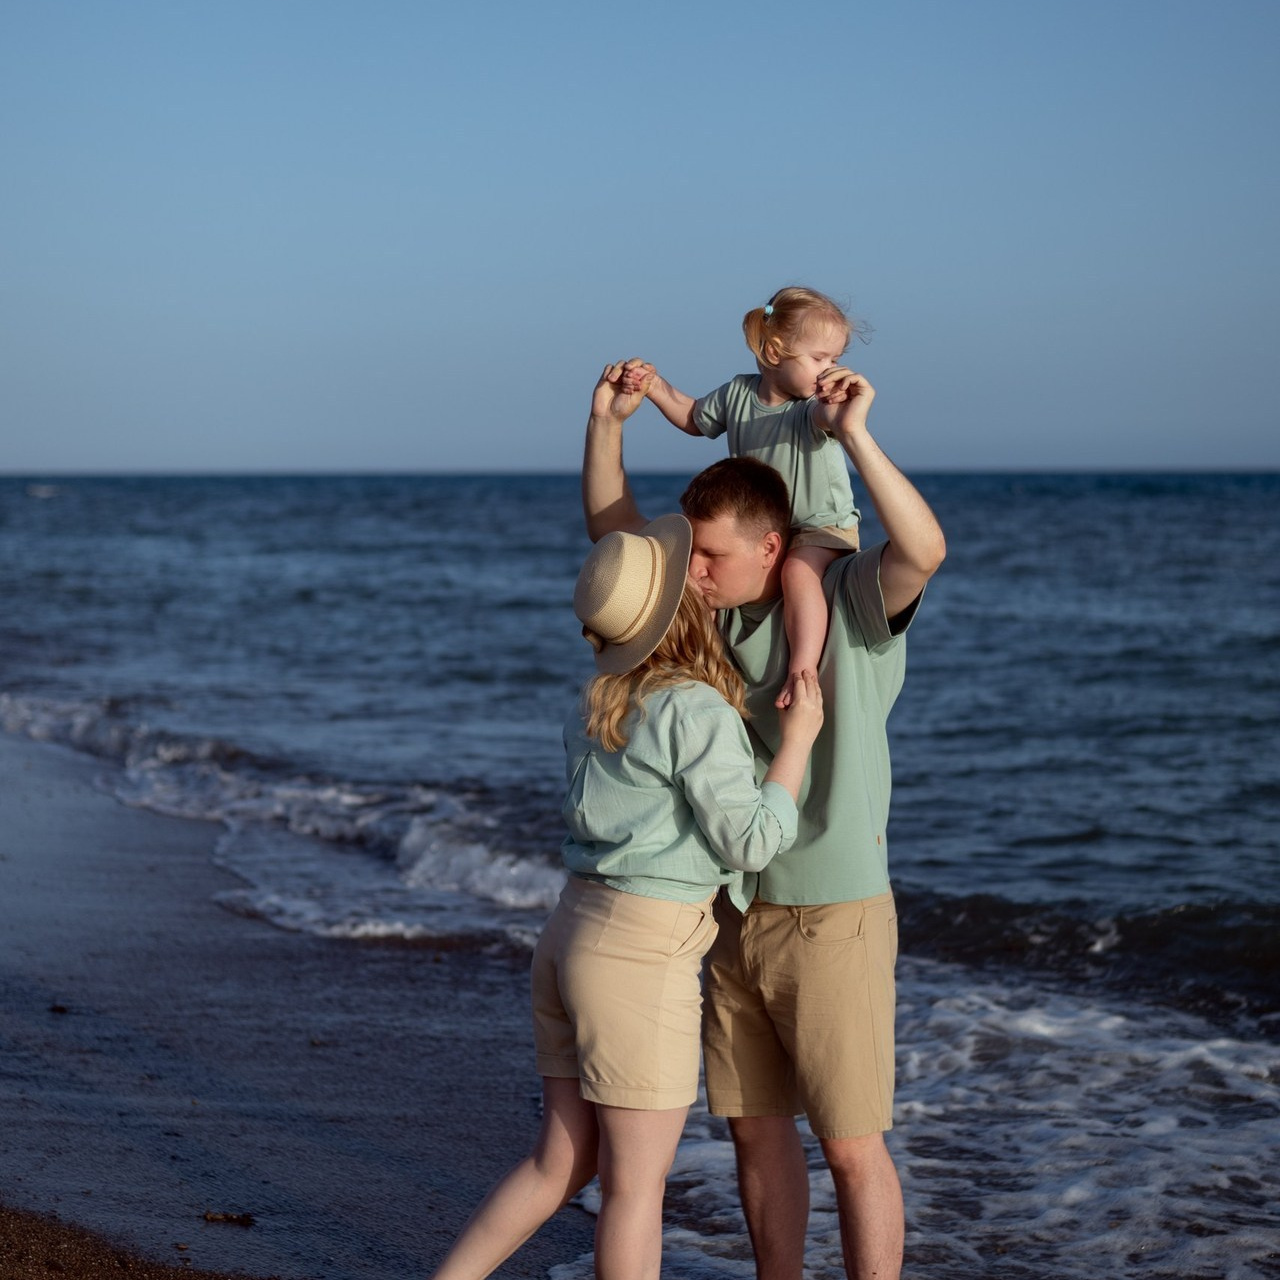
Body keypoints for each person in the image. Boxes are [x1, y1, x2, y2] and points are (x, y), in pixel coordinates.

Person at [582, 358, 946, 1280]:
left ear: (773, 547)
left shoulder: (849, 606)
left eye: (712, 556)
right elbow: (615, 541)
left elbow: (925, 551)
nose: (694, 573)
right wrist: (609, 427)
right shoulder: (702, 618)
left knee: (853, 1146)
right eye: (690, 556)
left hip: (833, 912)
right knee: (755, 1133)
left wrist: (856, 436)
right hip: (730, 909)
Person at [427, 495, 825, 1280]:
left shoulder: (596, 700)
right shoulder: (695, 709)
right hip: (641, 953)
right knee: (635, 1191)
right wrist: (799, 745)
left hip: (570, 934)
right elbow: (747, 841)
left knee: (559, 1165)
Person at [621, 286, 865, 712]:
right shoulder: (737, 395)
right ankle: (698, 663)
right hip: (760, 530)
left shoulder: (811, 409)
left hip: (821, 526)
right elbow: (693, 417)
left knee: (798, 574)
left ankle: (802, 670)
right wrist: (655, 387)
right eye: (819, 359)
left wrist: (840, 404)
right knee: (699, 586)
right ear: (774, 353)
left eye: (835, 361)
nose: (829, 371)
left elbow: (830, 419)